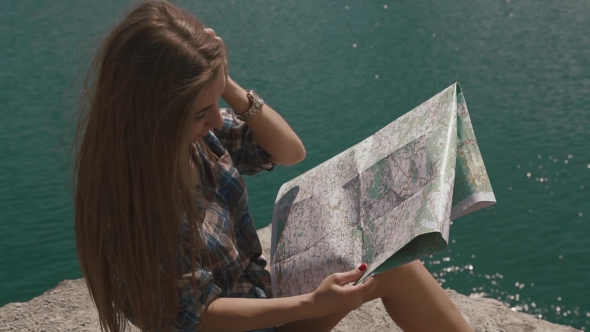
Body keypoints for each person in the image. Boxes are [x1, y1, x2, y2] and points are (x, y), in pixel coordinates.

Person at [73, 1, 473, 331]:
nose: (215, 120)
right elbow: (202, 317)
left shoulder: (193, 139)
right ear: (154, 113)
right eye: (200, 112)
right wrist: (311, 304)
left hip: (261, 302)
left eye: (215, 103)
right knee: (393, 270)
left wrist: (222, 80)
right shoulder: (135, 205)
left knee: (390, 256)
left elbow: (288, 151)